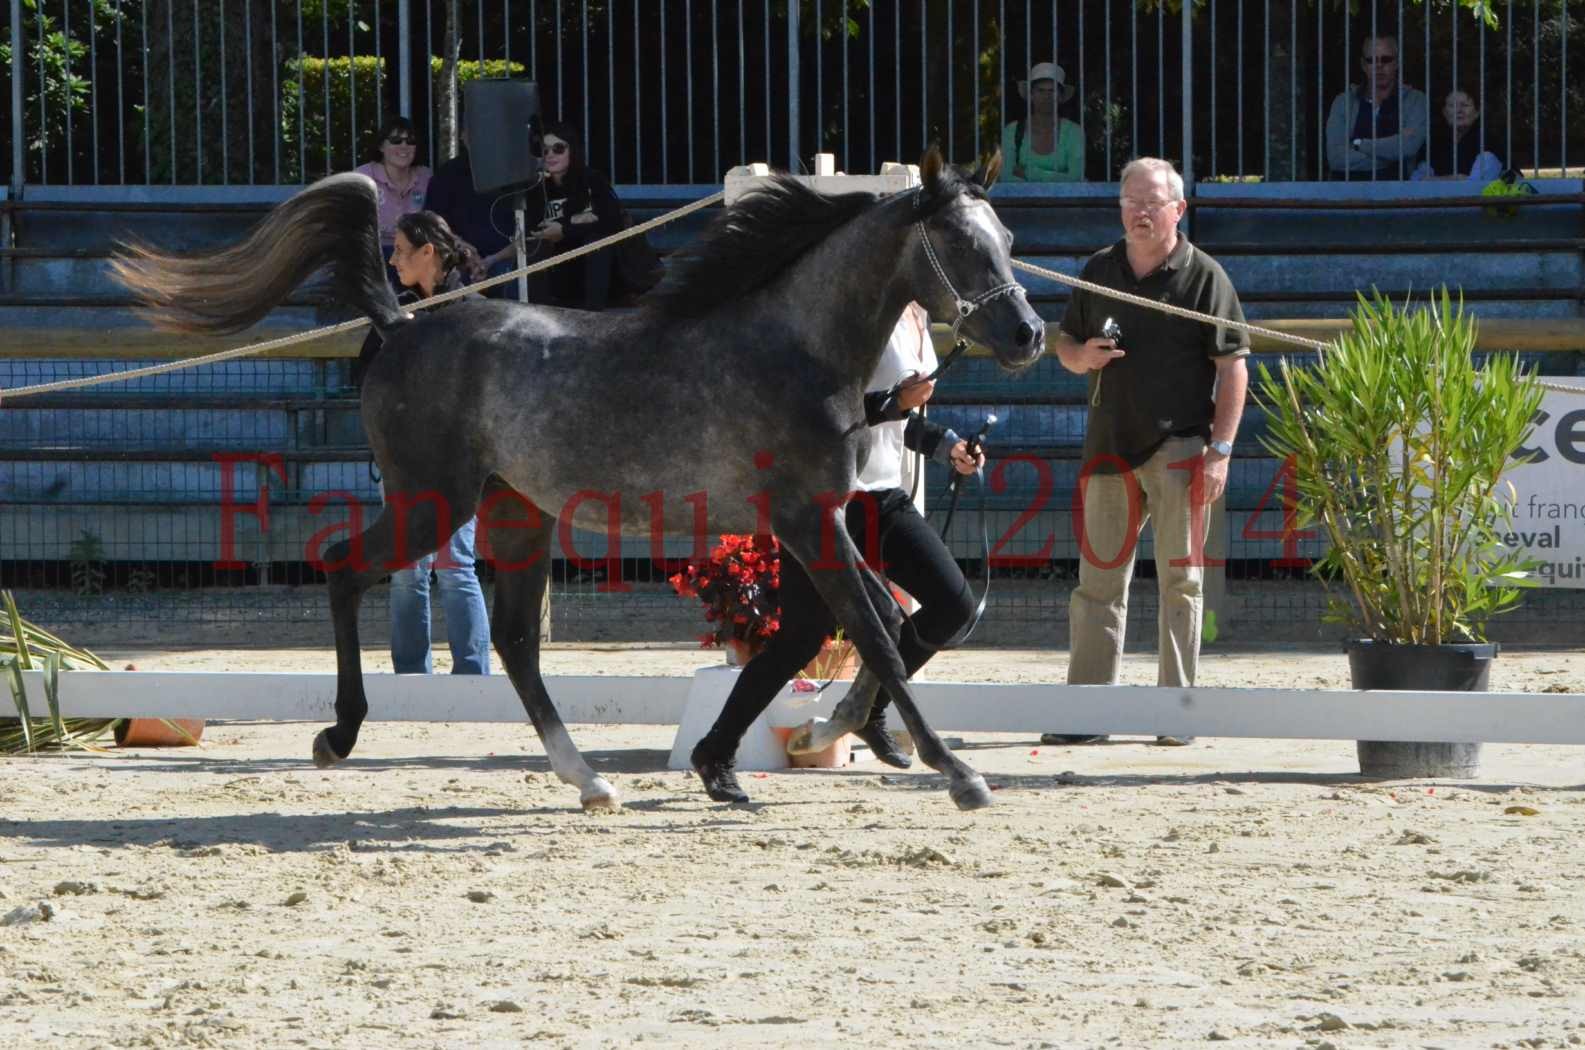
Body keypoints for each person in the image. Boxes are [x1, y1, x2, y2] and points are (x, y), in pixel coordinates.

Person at [689, 302, 985, 803]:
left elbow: (897, 423)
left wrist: (946, 445)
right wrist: (894, 400)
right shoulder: (858, 314)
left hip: (884, 495)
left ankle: (867, 706)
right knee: (800, 639)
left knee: (954, 607)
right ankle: (716, 749)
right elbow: (820, 413)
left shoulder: (918, 323)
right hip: (828, 500)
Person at [1042, 157, 1248, 748]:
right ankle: (1087, 712)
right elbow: (1064, 341)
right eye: (1130, 200)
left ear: (1178, 210)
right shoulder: (1098, 269)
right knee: (1097, 584)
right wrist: (1081, 358)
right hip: (1109, 449)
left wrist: (1221, 450)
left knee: (1182, 583)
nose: (1139, 211)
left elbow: (1233, 371)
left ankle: (1175, 713)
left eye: (1152, 202)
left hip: (1183, 446)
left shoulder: (1205, 277)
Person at [371, 210, 492, 676]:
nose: (394, 258)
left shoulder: (471, 307)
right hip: (401, 455)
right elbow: (367, 377)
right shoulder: (392, 306)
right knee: (406, 567)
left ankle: (472, 675)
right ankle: (410, 678)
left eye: (401, 249)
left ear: (427, 253)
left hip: (456, 458)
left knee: (456, 564)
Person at [528, 121, 624, 310]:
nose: (550, 155)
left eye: (558, 148)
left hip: (594, 269)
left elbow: (612, 223)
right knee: (535, 245)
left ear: (572, 150)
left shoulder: (592, 180)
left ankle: (594, 311)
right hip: (560, 270)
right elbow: (533, 227)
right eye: (545, 150)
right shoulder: (538, 188)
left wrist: (565, 228)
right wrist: (577, 220)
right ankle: (537, 310)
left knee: (597, 240)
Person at [424, 125, 520, 297]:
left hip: (506, 260)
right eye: (472, 131)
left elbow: (526, 234)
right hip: (459, 261)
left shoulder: (516, 172)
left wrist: (491, 260)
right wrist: (466, 252)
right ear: (462, 136)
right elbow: (431, 222)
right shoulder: (446, 174)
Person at [1324, 33, 1429, 180]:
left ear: (1397, 63)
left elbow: (1408, 146)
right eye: (1371, 60)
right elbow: (1336, 158)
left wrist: (1359, 144)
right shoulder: (1343, 102)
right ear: (1363, 65)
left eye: (1386, 59)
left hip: (1400, 197)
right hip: (1346, 197)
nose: (1379, 66)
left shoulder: (1415, 100)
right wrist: (1394, 154)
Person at [354, 116, 433, 252]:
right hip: (373, 253)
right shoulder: (363, 177)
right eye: (396, 141)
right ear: (381, 146)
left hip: (417, 254)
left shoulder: (426, 177)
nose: (404, 146)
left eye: (410, 141)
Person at [1000, 62, 1085, 183]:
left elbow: (1076, 178)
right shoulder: (1012, 131)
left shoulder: (1074, 132)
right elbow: (1006, 177)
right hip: (1021, 202)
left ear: (1061, 97)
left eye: (1052, 91)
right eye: (1040, 90)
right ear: (1031, 95)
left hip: (1065, 202)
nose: (1047, 96)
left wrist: (1028, 173)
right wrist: (1059, 177)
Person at [1412, 87, 1504, 183]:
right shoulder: (1435, 142)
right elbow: (1417, 180)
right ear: (1444, 112)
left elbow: (1513, 178)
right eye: (1452, 106)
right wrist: (1455, 179)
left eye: (1465, 105)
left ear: (1477, 112)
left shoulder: (1489, 140)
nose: (1459, 110)